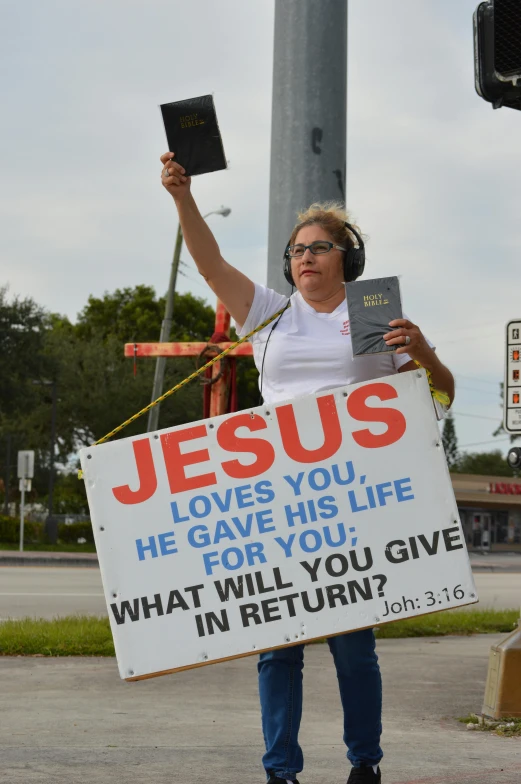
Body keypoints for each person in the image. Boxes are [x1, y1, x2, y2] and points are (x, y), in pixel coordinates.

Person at [159, 151, 455, 784]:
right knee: (278, 649)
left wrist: (423, 349)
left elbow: (442, 393)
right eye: (296, 251)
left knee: (353, 650)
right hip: (279, 501)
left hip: (355, 502)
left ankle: (365, 764)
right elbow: (210, 264)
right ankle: (280, 772)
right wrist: (183, 197)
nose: (305, 258)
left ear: (346, 258)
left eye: (319, 248)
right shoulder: (268, 314)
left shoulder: (375, 312)